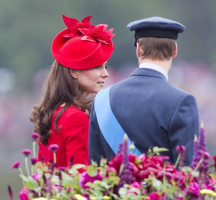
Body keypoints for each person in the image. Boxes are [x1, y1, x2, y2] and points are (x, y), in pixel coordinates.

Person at [89, 16, 200, 166]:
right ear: (174, 51)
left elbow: (95, 170)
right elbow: (188, 172)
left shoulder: (102, 98)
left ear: (139, 48)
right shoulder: (182, 102)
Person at [30, 14, 115, 167]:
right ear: (74, 71)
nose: (106, 74)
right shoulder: (76, 117)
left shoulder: (53, 113)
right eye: (97, 66)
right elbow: (80, 176)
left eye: (105, 66)